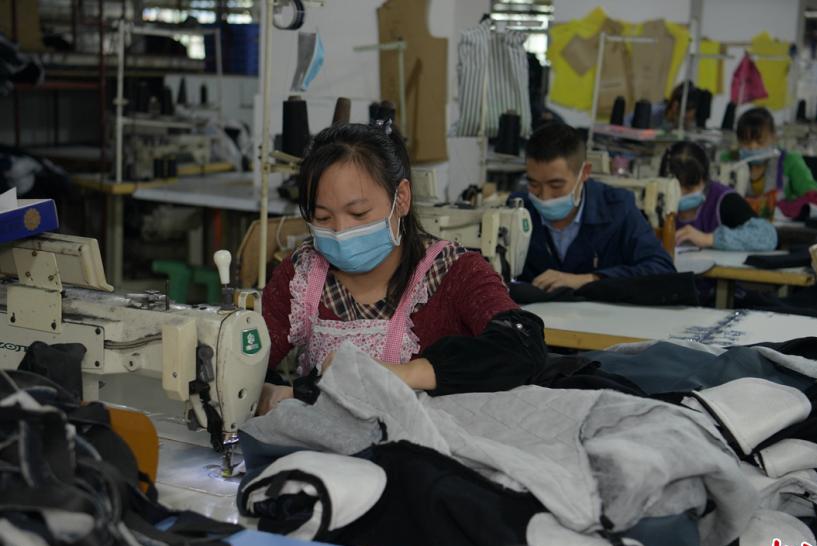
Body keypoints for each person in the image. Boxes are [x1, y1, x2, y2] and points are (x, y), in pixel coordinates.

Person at [259, 122, 547, 414]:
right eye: (322, 217)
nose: (340, 230)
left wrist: (399, 374)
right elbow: (247, 358)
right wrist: (267, 391)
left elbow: (523, 344)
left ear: (402, 199)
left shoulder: (454, 273)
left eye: (358, 213)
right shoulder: (303, 275)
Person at [510, 122, 675, 292]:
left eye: (556, 185)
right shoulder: (517, 212)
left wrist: (591, 279)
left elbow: (663, 269)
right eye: (534, 184)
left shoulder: (618, 208)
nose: (544, 196)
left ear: (585, 173)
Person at [660, 141, 777, 251]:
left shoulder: (724, 200)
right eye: (674, 188)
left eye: (689, 188)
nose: (680, 194)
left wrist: (709, 239)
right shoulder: (658, 202)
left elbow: (768, 236)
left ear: (705, 180)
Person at [736, 107, 817, 220]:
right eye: (746, 142)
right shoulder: (732, 163)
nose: (752, 147)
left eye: (760, 142)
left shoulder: (789, 161)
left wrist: (783, 208)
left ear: (773, 137)